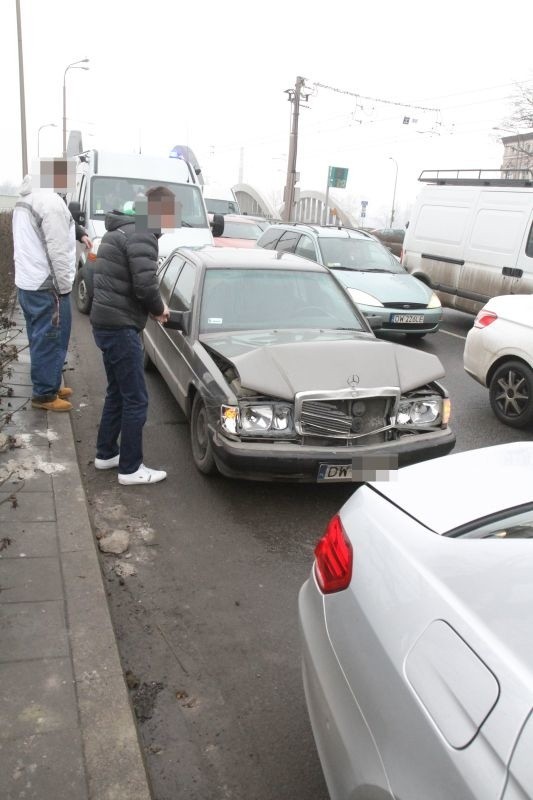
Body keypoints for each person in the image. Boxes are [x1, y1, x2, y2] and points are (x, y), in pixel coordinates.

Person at [90, 185, 175, 486]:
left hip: (105, 322)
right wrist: (159, 309)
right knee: (137, 399)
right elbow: (145, 286)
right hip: (121, 325)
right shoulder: (142, 233)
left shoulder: (118, 229)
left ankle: (106, 453)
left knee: (118, 392)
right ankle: (130, 468)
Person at [12, 159, 90, 411]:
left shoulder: (27, 199)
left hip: (28, 283)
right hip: (47, 286)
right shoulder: (50, 203)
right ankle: (44, 395)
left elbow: (57, 227)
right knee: (50, 337)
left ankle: (50, 382)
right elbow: (56, 249)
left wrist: (79, 232)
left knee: (40, 337)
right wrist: (64, 287)